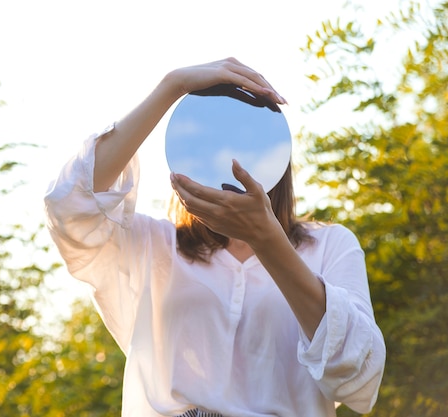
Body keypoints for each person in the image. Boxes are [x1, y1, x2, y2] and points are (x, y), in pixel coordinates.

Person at [44, 57, 386, 417]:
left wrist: (267, 240)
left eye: (247, 148)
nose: (229, 162)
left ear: (277, 160)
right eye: (211, 147)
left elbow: (360, 378)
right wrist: (171, 86)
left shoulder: (331, 246)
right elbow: (70, 206)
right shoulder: (155, 246)